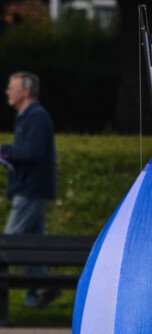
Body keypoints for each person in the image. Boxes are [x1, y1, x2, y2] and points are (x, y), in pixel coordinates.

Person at [1, 71, 59, 308]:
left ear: (25, 91)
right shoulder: (29, 116)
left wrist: (6, 152)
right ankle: (44, 285)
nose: (8, 91)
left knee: (10, 244)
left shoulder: (37, 117)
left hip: (31, 191)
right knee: (31, 245)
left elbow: (34, 153)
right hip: (30, 190)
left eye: (11, 87)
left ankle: (43, 285)